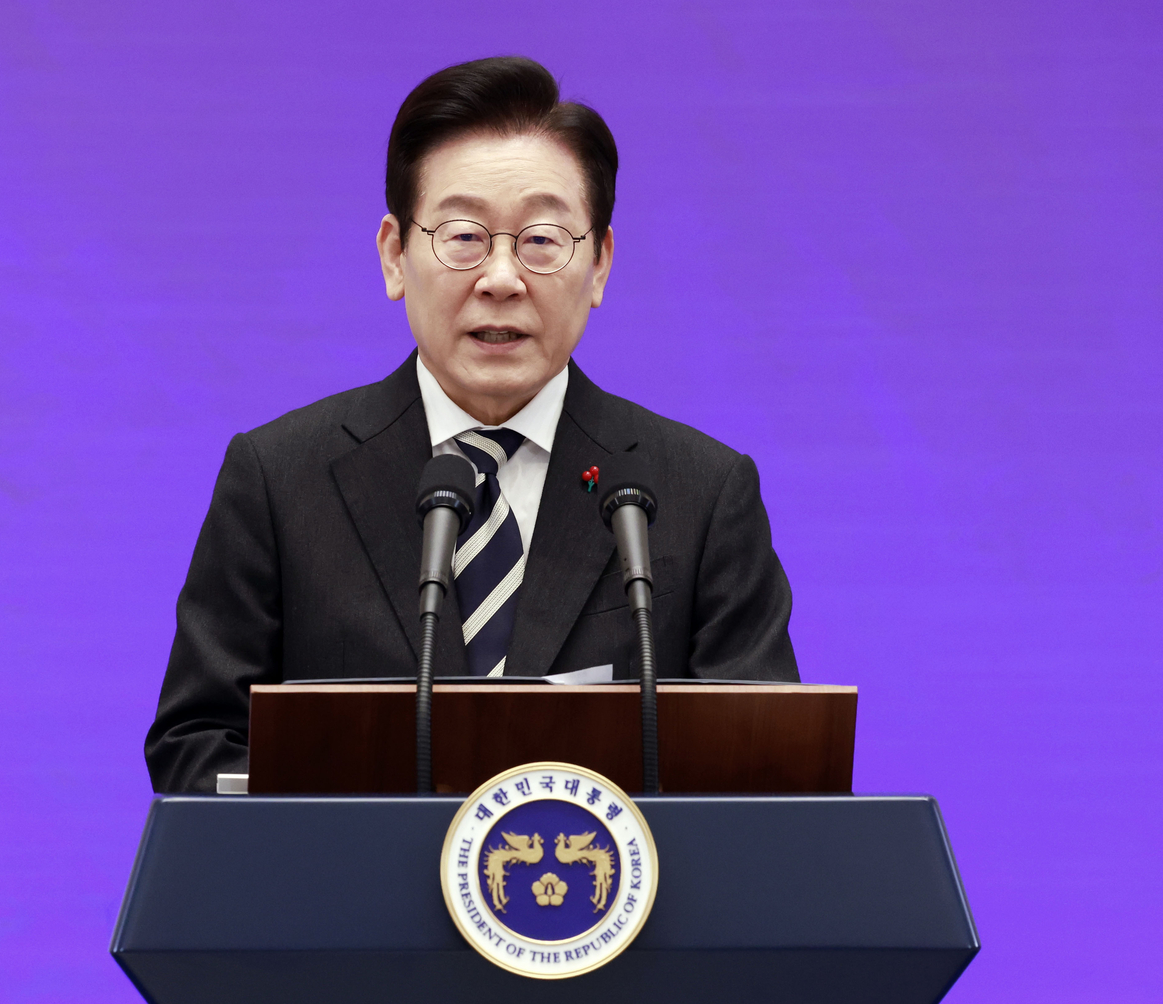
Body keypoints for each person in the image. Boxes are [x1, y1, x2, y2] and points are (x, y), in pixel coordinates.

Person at [146, 56, 798, 794]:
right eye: (463, 236)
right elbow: (197, 749)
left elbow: (761, 774)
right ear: (395, 256)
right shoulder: (278, 478)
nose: (501, 278)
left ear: (602, 265)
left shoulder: (699, 493)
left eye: (542, 240)